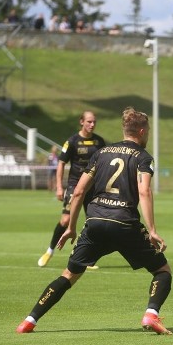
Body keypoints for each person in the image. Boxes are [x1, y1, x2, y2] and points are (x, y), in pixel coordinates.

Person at [17, 107, 173, 335]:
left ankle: (29, 321)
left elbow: (79, 192)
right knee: (162, 270)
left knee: (68, 275)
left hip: (96, 223)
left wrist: (71, 228)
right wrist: (152, 230)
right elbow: (144, 192)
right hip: (125, 224)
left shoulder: (101, 153)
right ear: (141, 131)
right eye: (148, 131)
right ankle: (151, 314)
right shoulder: (143, 157)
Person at [37, 111, 106, 267]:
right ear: (81, 122)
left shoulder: (99, 142)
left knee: (94, 223)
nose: (92, 125)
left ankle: (87, 258)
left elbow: (104, 165)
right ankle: (50, 251)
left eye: (94, 122)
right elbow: (61, 163)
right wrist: (59, 187)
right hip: (75, 185)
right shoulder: (72, 141)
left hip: (93, 187)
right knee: (66, 220)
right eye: (89, 121)